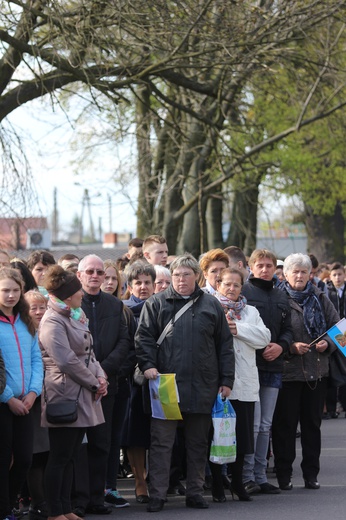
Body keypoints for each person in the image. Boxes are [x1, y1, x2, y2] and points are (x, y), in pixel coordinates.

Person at [135, 254, 235, 512]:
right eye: (177, 275)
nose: (181, 279)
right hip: (165, 385)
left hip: (203, 384)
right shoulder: (156, 303)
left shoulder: (211, 305)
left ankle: (195, 492)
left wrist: (226, 380)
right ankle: (157, 495)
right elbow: (143, 338)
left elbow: (224, 345)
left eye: (186, 275)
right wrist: (148, 365)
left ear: (196, 277)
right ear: (170, 277)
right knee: (161, 443)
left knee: (197, 443)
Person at [39, 265, 107, 520]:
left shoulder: (73, 315)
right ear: (68, 295)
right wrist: (93, 382)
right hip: (65, 393)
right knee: (59, 457)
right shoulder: (52, 320)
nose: (82, 293)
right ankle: (54, 511)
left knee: (70, 457)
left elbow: (89, 354)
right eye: (78, 290)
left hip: (83, 391)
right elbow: (66, 360)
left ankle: (66, 508)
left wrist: (101, 377)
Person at [272, 253, 339, 490]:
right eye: (295, 271)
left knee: (312, 427)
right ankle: (284, 474)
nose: (299, 276)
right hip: (287, 372)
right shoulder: (277, 298)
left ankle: (311, 474)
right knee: (285, 427)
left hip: (316, 372)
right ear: (286, 274)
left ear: (310, 274)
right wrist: (289, 347)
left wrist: (328, 344)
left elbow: (339, 329)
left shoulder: (321, 297)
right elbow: (269, 334)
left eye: (304, 271)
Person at [72, 255, 130, 516]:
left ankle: (97, 498)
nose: (96, 276)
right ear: (79, 275)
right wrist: (88, 375)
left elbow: (123, 342)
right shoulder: (71, 305)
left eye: (100, 273)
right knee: (76, 447)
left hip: (107, 386)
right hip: (76, 386)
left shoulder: (115, 305)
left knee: (100, 444)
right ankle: (78, 500)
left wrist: (103, 373)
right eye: (91, 272)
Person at [211, 267, 271, 502]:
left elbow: (264, 338)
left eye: (237, 285)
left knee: (242, 437)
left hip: (244, 383)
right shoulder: (211, 306)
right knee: (217, 436)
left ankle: (237, 483)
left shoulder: (250, 312)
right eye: (227, 284)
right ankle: (217, 483)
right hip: (218, 383)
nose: (232, 289)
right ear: (218, 284)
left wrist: (238, 329)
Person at [242, 249, 293, 495]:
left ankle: (261, 475)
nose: (264, 269)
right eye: (259, 265)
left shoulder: (282, 295)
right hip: (249, 366)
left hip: (273, 365)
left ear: (275, 268)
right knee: (252, 425)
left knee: (265, 424)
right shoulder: (243, 292)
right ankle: (246, 475)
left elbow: (288, 329)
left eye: (268, 265)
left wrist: (281, 346)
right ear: (251, 267)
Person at [0, 268, 43, 520]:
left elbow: (36, 358)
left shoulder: (26, 321)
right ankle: (5, 510)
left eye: (15, 290)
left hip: (26, 402)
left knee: (25, 459)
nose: (11, 295)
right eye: (5, 290)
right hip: (4, 402)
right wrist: (8, 398)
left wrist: (33, 392)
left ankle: (7, 503)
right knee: (3, 459)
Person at [122, 261, 156, 504]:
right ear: (130, 286)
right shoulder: (122, 311)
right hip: (133, 379)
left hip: (159, 378)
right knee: (135, 433)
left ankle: (159, 479)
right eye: (138, 283)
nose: (143, 287)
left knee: (160, 432)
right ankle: (139, 482)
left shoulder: (163, 307)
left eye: (147, 282)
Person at [24, 291, 49, 520]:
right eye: (34, 308)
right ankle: (38, 505)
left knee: (48, 456)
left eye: (43, 307)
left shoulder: (52, 328)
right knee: (34, 456)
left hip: (52, 402)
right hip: (30, 400)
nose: (39, 312)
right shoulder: (22, 332)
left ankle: (48, 504)